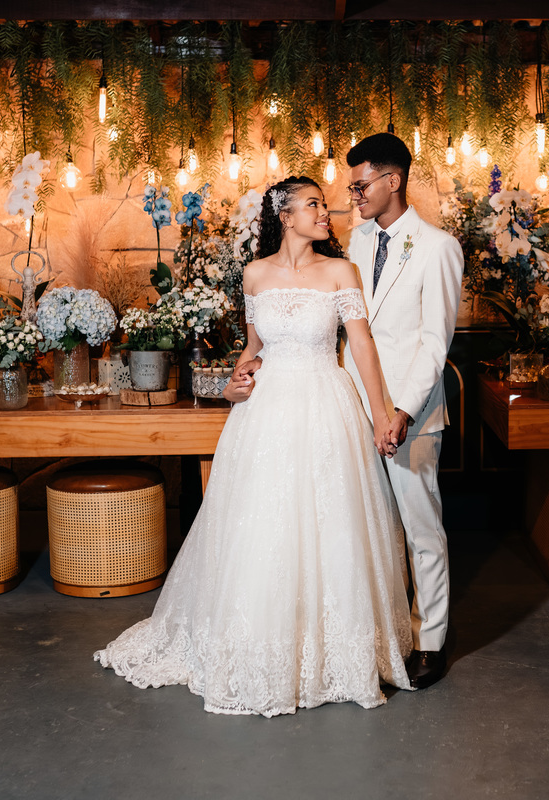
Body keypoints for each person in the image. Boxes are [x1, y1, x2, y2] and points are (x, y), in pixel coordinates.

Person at [94, 175, 413, 717]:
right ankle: (260, 644)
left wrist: (382, 416)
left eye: (324, 205)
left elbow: (361, 345)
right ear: (285, 216)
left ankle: (330, 651)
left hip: (325, 405)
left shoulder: (341, 271)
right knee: (264, 523)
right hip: (264, 412)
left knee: (329, 521)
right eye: (313, 205)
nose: (326, 213)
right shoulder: (255, 274)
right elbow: (254, 347)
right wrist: (234, 383)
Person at [342, 132, 464, 689]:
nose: (353, 195)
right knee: (369, 526)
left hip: (409, 417)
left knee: (421, 527)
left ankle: (431, 640)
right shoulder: (355, 241)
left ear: (393, 180)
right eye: (351, 186)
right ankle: (383, 634)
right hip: (355, 408)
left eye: (361, 184)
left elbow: (435, 344)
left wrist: (403, 411)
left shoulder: (437, 247)